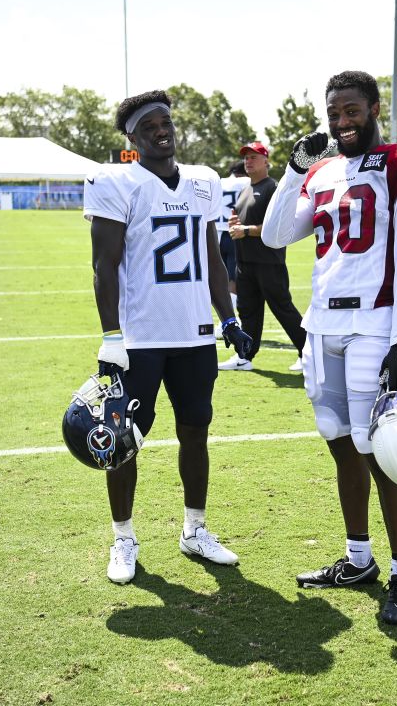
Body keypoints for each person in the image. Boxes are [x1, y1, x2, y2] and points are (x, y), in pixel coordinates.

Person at [262, 70, 397, 624]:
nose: (341, 122)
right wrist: (294, 172)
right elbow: (273, 235)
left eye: (352, 111)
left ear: (374, 108)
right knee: (339, 440)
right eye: (334, 112)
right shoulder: (323, 172)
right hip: (321, 327)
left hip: (373, 323)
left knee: (382, 450)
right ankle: (358, 558)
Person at [83, 89, 254, 583]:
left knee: (196, 429)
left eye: (166, 121)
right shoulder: (117, 181)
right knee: (121, 440)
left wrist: (229, 319)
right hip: (139, 338)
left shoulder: (202, 182)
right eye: (149, 125)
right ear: (132, 138)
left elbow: (213, 261)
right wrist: (111, 335)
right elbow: (103, 266)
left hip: (194, 334)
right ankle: (123, 538)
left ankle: (194, 531)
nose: (162, 130)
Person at [219, 141, 308, 372]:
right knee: (248, 310)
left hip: (268, 261)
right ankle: (245, 356)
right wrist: (235, 225)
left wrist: (246, 230)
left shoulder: (272, 189)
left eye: (253, 157)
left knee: (283, 309)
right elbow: (243, 222)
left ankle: (307, 354)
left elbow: (278, 225)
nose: (248, 161)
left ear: (266, 161)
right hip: (245, 261)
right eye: (246, 157)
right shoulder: (246, 189)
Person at [217, 161, 248, 309]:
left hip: (215, 235)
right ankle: (232, 315)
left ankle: (223, 315)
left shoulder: (219, 182)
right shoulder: (245, 181)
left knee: (221, 277)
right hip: (233, 233)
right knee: (234, 277)